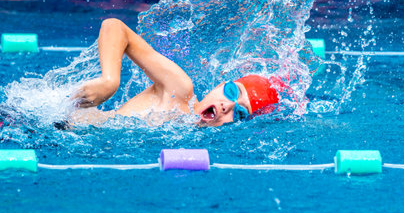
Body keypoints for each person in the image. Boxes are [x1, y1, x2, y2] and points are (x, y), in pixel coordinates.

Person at [71, 18, 280, 127]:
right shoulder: (178, 91)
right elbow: (115, 27)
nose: (228, 105)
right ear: (219, 85)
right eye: (232, 92)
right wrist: (109, 82)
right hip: (64, 120)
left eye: (240, 114)